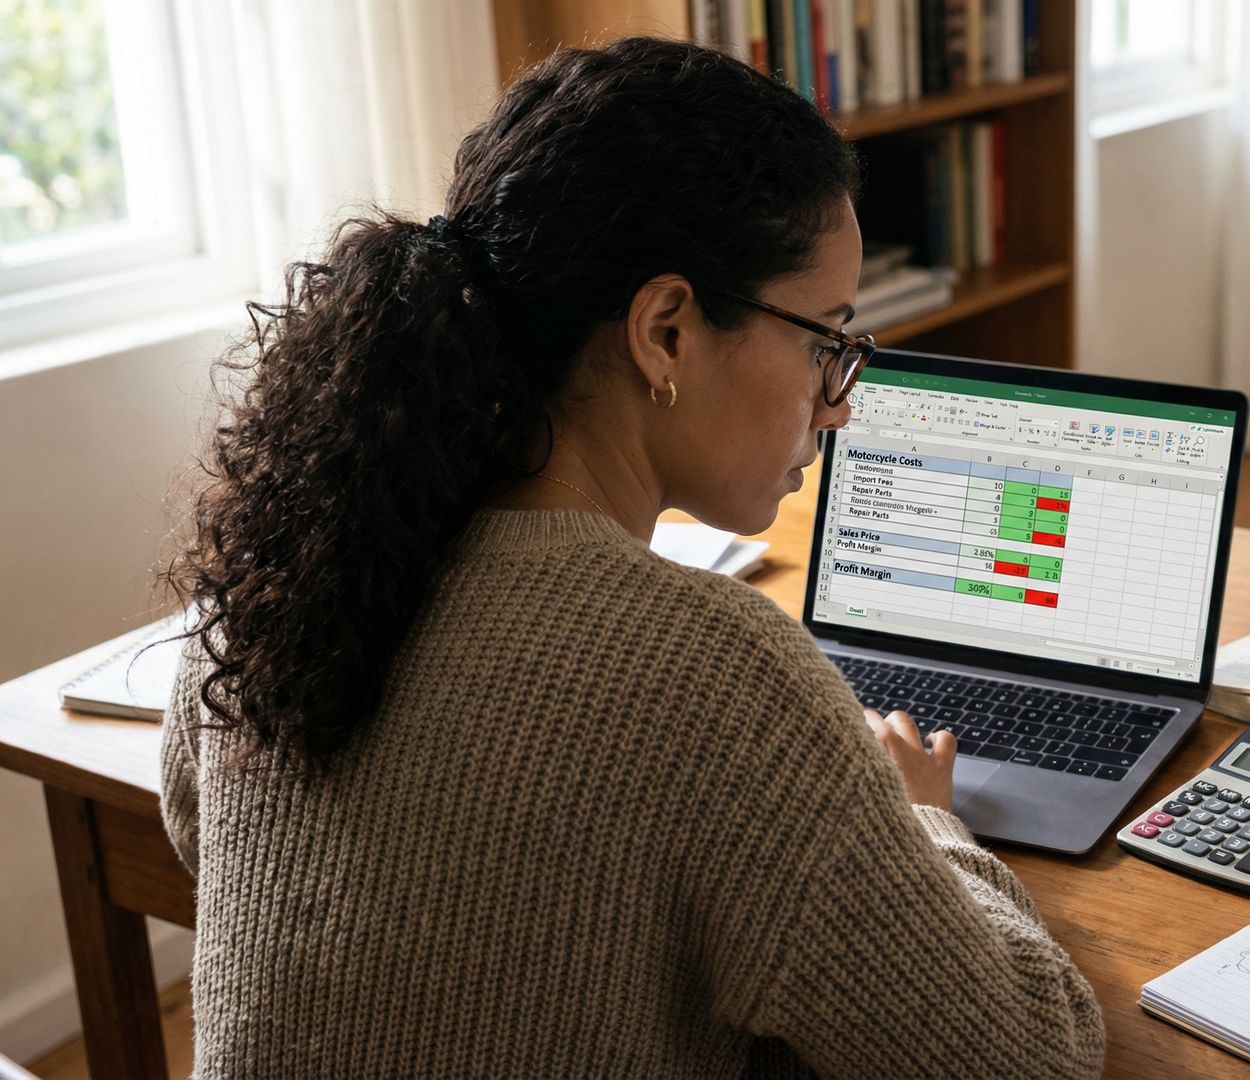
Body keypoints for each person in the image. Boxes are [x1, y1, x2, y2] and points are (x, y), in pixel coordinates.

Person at [158, 36, 1104, 1079]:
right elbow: (1027, 1058)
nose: (840, 400)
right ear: (664, 330)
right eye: (826, 339)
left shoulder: (281, 572)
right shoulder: (716, 670)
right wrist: (929, 828)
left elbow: (206, 844)